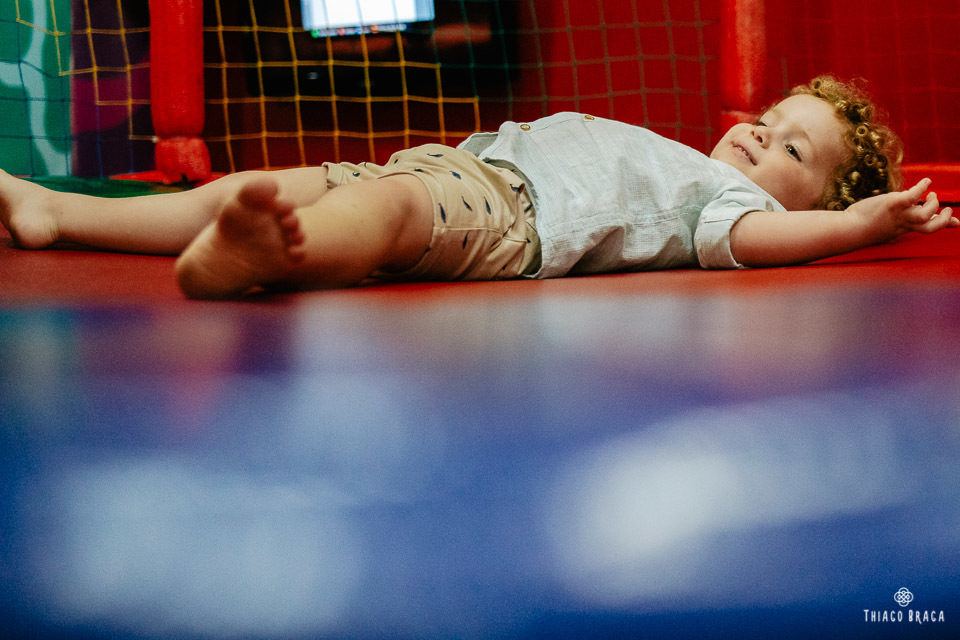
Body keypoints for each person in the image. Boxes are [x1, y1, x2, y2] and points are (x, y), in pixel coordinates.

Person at [1, 76, 956, 299]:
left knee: (387, 216)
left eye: (793, 149)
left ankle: (265, 260)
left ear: (810, 202)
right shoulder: (703, 160)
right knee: (252, 180)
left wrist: (858, 228)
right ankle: (55, 210)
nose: (760, 133)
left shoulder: (731, 203)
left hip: (511, 215)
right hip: (459, 163)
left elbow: (760, 245)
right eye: (771, 115)